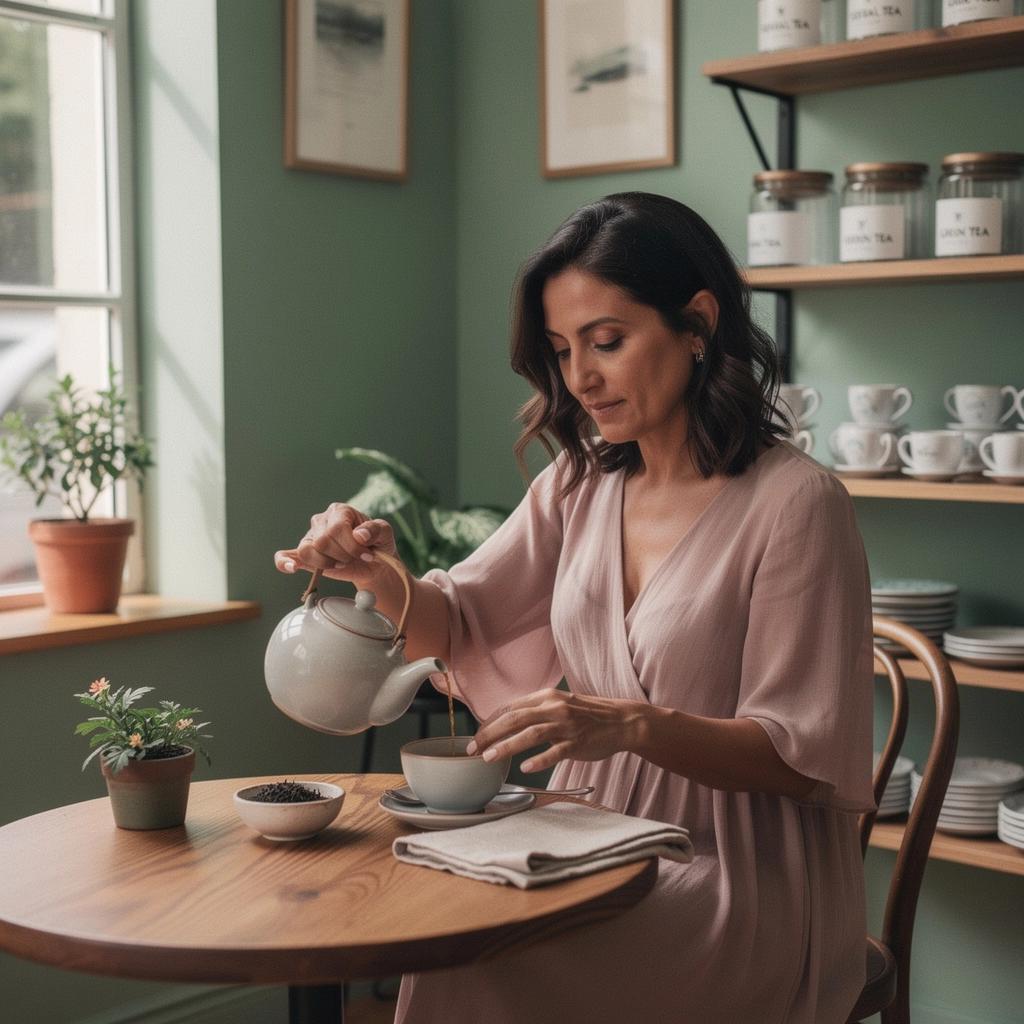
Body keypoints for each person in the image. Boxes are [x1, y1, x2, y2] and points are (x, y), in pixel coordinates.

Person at [275, 192, 875, 1024]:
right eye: (562, 351)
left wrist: (629, 724)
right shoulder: (582, 480)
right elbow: (458, 620)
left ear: (697, 326)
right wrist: (376, 571)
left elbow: (798, 758)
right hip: (578, 836)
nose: (580, 378)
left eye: (608, 341)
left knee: (482, 965)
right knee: (452, 937)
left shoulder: (798, 504)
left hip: (736, 871)